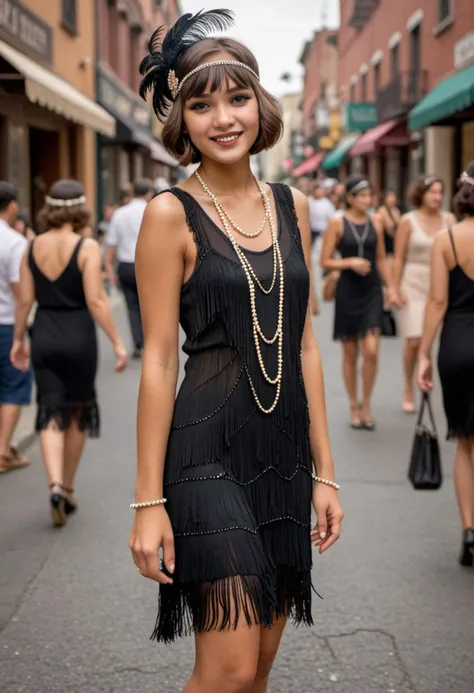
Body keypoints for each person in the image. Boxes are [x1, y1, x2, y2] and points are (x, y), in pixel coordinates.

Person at [129, 10, 343, 693]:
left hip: (283, 454)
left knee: (258, 672)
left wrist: (327, 471)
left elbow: (305, 341)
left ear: (260, 105)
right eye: (201, 103)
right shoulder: (170, 213)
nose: (223, 117)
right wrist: (145, 501)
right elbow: (159, 359)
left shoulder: (293, 206)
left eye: (237, 97)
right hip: (204, 453)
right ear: (182, 120)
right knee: (226, 669)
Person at [11, 179, 128, 526]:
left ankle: (55, 486)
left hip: (44, 331)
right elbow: (95, 299)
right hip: (79, 335)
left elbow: (24, 300)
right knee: (77, 409)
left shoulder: (31, 247)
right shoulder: (87, 246)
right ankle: (70, 487)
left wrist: (19, 339)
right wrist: (117, 341)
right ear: (81, 209)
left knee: (49, 407)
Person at [418, 162, 474, 567]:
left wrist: (423, 353)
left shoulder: (446, 238)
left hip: (456, 345)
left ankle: (469, 529)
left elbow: (437, 302)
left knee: (465, 443)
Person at [321, 174, 395, 430]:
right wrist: (349, 262)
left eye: (369, 195)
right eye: (361, 195)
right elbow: (325, 260)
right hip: (348, 290)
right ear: (350, 198)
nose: (367, 200)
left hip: (372, 289)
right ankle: (353, 404)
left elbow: (382, 258)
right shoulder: (336, 223)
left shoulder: (376, 220)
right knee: (350, 352)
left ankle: (366, 403)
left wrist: (392, 287)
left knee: (372, 350)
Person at [393, 176, 456, 413]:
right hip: (413, 283)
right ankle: (409, 385)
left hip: (441, 282)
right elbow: (398, 258)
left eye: (440, 192)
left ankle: (429, 381)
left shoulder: (449, 219)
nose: (437, 197)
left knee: (438, 341)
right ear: (422, 194)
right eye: (433, 192)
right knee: (414, 339)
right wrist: (395, 288)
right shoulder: (408, 221)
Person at [0, 182, 33, 473]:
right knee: (13, 386)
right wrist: (20, 337)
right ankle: (2, 451)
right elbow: (22, 295)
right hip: (6, 322)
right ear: (11, 206)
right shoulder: (13, 241)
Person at [105, 179, 155, 359]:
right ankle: (151, 342)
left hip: (126, 265)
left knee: (132, 306)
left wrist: (110, 268)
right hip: (150, 265)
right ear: (149, 193)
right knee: (150, 306)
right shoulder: (153, 210)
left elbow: (111, 243)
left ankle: (138, 343)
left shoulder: (119, 213)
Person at [308, 181, 336, 314]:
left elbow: (332, 220)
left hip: (324, 236)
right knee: (312, 266)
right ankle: (314, 296)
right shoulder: (308, 202)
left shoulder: (327, 204)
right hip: (311, 236)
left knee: (320, 265)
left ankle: (321, 293)